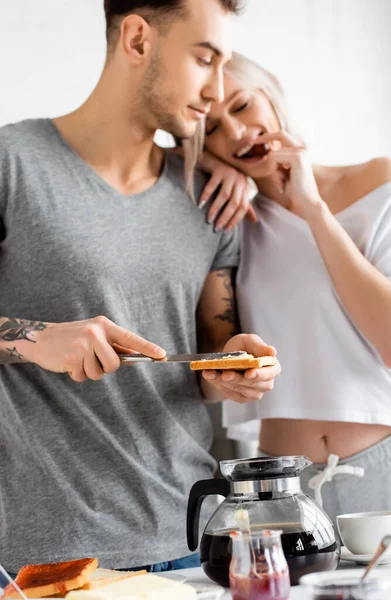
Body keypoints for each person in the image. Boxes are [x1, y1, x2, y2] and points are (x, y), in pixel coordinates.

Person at [0, 5, 283, 574]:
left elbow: (207, 361)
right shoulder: (12, 163)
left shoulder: (211, 198)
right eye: (205, 59)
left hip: (192, 546)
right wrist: (35, 339)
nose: (217, 89)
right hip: (44, 563)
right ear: (136, 39)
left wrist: (235, 369)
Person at [188, 51, 391, 523]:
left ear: (272, 90)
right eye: (213, 131)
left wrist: (312, 208)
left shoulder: (377, 180)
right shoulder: (226, 220)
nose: (238, 134)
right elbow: (216, 358)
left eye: (242, 106)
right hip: (279, 486)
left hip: (386, 471)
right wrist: (204, 164)